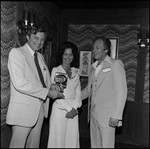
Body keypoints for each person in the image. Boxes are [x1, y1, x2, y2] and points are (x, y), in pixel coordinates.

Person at [6, 25, 64, 148]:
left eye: (42, 39)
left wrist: (51, 86)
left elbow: (40, 81)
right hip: (23, 113)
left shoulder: (40, 57)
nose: (39, 42)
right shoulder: (17, 53)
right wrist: (47, 92)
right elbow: (20, 83)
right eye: (36, 38)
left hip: (40, 110)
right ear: (27, 37)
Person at [81, 36, 127, 148]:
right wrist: (72, 97)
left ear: (106, 50)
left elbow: (121, 92)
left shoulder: (115, 64)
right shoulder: (93, 67)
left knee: (107, 145)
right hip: (93, 114)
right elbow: (89, 90)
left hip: (108, 116)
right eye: (93, 48)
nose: (94, 51)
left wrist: (116, 116)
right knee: (95, 145)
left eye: (97, 48)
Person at [47, 41, 82, 148]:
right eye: (65, 54)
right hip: (60, 109)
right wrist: (68, 109)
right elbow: (57, 94)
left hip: (74, 110)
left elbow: (78, 93)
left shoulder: (75, 72)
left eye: (71, 54)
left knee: (71, 140)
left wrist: (74, 108)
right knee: (58, 141)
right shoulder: (57, 70)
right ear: (61, 55)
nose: (68, 57)